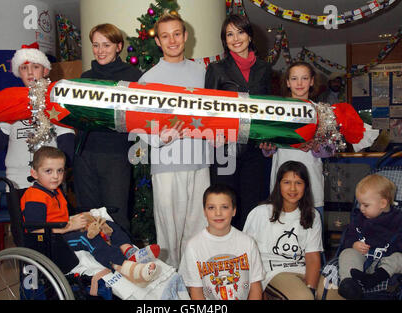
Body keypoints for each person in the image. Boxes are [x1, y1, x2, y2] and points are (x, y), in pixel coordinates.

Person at [21, 146, 160, 283]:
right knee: (86, 238)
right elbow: (34, 229)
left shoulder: (56, 192)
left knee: (106, 223)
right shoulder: (35, 196)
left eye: (60, 170)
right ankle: (125, 267)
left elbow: (60, 218)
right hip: (51, 241)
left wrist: (82, 219)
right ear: (34, 173)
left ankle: (130, 252)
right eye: (48, 171)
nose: (55, 176)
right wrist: (68, 227)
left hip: (62, 232)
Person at [138, 13, 210, 269]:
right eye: (165, 36)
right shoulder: (148, 79)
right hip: (167, 166)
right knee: (169, 236)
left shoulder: (203, 73)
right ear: (157, 41)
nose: (172, 40)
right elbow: (137, 125)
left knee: (199, 231)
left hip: (200, 164)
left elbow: (216, 114)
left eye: (176, 34)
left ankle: (196, 288)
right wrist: (158, 138)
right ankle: (172, 289)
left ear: (186, 36)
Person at [0, 42, 75, 241]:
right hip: (17, 180)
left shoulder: (55, 99)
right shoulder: (10, 100)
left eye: (35, 66)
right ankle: (26, 272)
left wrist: (61, 170)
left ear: (45, 69)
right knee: (22, 235)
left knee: (52, 234)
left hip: (49, 179)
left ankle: (51, 272)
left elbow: (67, 140)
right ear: (19, 72)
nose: (30, 72)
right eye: (24, 68)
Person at [204, 14, 272, 230]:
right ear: (225, 40)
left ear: (250, 36)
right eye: (229, 34)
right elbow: (208, 110)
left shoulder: (264, 69)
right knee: (224, 209)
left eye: (240, 32)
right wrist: (213, 134)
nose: (235, 38)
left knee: (253, 210)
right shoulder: (216, 69)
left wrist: (269, 138)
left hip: (255, 152)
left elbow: (269, 110)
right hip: (226, 150)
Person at [74, 23, 143, 230]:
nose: (100, 51)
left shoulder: (133, 78)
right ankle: (93, 263)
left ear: (118, 46)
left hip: (115, 155)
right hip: (85, 155)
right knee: (88, 216)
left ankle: (121, 262)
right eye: (96, 45)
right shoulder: (85, 78)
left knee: (116, 216)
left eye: (106, 45)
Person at [261, 61, 334, 229]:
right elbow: (269, 148)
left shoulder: (321, 111)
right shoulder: (276, 111)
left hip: (311, 181)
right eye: (294, 78)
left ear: (312, 81)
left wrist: (317, 146)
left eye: (304, 78)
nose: (299, 83)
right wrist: (267, 147)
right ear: (287, 82)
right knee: (280, 232)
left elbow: (331, 149)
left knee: (312, 234)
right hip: (282, 180)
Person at [243, 161, 324, 300]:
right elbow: (245, 254)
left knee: (336, 294)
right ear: (278, 184)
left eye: (298, 183)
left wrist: (311, 288)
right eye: (287, 182)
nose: (293, 189)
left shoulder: (312, 215)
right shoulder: (260, 212)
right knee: (303, 297)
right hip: (273, 273)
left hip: (301, 271)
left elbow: (312, 257)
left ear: (306, 186)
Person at [178, 184, 265, 300]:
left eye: (224, 207)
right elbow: (196, 292)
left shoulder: (248, 243)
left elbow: (255, 286)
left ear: (234, 210)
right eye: (211, 207)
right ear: (204, 211)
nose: (218, 213)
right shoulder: (193, 246)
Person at [337, 174, 402, 300]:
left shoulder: (398, 220)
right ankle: (350, 284)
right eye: (360, 204)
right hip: (363, 259)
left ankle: (373, 279)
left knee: (399, 258)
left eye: (365, 205)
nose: (361, 208)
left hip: (385, 265)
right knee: (347, 253)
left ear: (383, 203)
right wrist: (353, 244)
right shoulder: (359, 219)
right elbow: (348, 237)